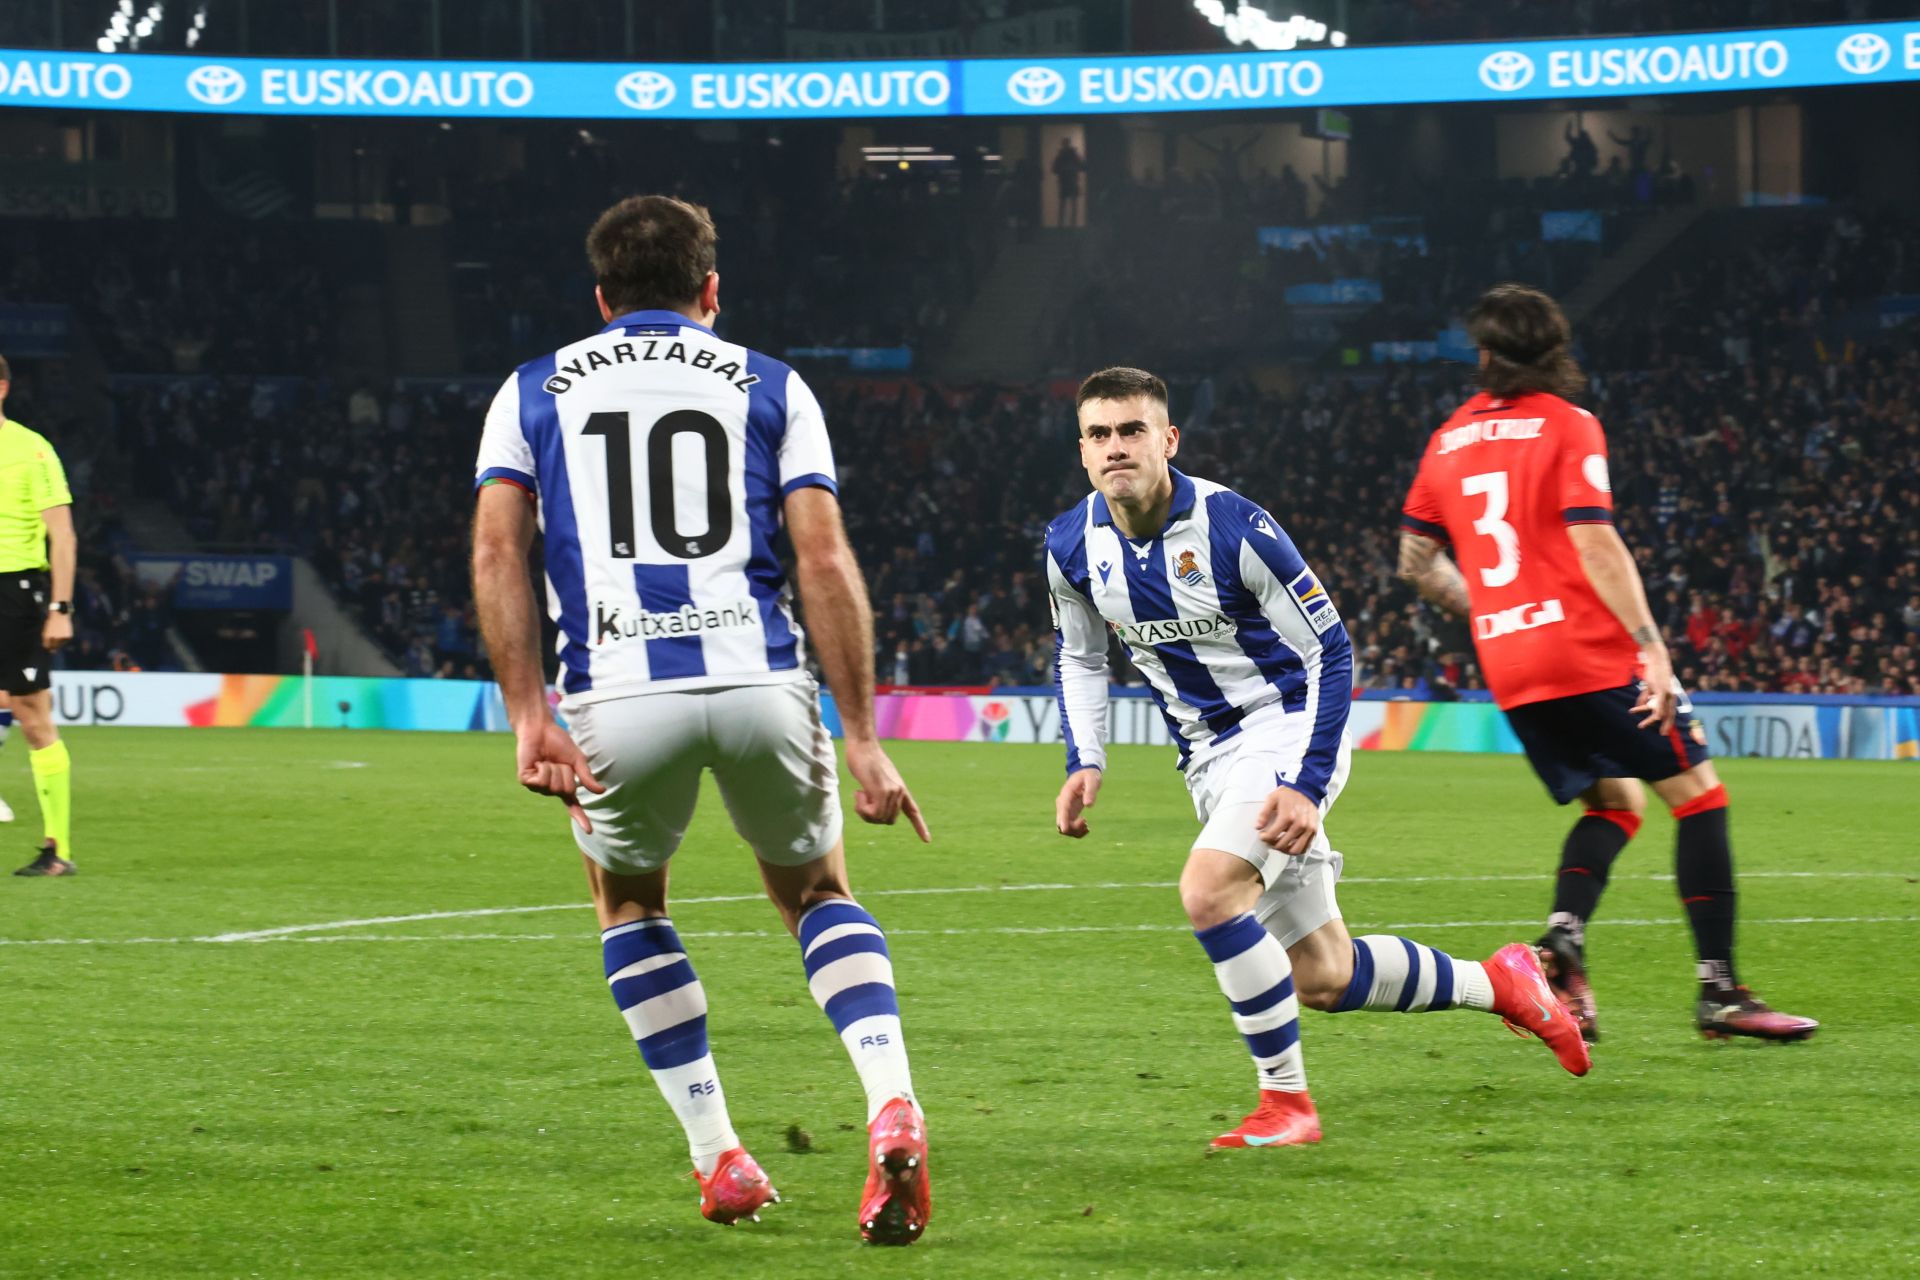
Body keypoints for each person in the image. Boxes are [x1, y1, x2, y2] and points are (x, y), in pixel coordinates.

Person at [470, 195, 934, 1243]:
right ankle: (890, 1096)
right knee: (815, 888)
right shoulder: (773, 383)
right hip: (760, 675)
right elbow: (822, 559)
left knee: (628, 901)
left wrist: (525, 712)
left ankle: (718, 1152)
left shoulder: (530, 390)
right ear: (711, 289)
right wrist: (860, 733)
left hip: (615, 690)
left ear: (600, 299)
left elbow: (501, 552)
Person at [1047, 367, 1588, 1151]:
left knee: (1207, 891)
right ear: (1083, 450)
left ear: (1168, 440)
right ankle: (1503, 981)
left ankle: (1286, 1104)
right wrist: (1084, 758)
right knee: (1324, 976)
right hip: (1208, 759)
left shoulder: (1236, 528)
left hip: (1284, 727)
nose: (1115, 448)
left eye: (1132, 431)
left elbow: (1331, 651)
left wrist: (1304, 782)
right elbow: (1080, 657)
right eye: (1099, 434)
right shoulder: (1070, 544)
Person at [1396, 283, 1818, 1044]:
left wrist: (1492, 611)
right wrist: (1652, 645)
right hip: (1587, 653)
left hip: (1512, 666)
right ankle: (1720, 992)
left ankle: (1561, 947)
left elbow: (1416, 562)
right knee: (1698, 798)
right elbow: (1594, 541)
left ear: (1484, 357)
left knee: (1615, 803)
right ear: (1556, 353)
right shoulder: (1570, 425)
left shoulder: (1445, 441)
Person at [0, 353, 77, 877]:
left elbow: (63, 535)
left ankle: (57, 851)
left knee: (31, 716)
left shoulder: (32, 449)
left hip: (14, 590)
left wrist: (60, 608)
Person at [1051, 137, 1086, 227]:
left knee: (1067, 204)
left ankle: (1066, 225)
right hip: (1068, 181)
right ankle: (1066, 225)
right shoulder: (1066, 155)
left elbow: (1082, 166)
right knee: (1067, 204)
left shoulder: (1068, 154)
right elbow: (1054, 169)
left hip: (1068, 181)